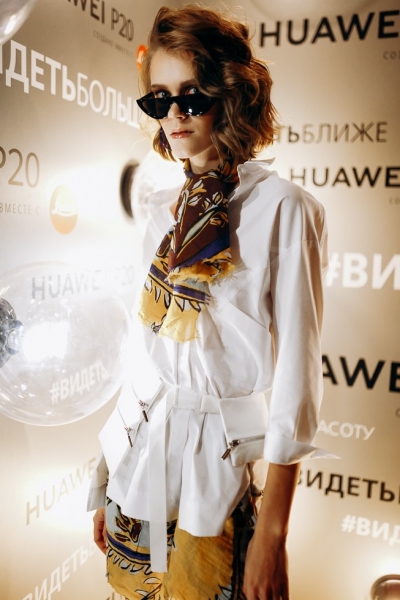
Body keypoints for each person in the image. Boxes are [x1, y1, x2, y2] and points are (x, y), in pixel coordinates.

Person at [89, 5, 333, 600]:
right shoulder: (159, 212)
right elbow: (146, 357)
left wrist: (273, 535)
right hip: (139, 463)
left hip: (220, 472)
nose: (173, 114)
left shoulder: (284, 209)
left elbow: (297, 382)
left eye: (191, 96)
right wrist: (106, 473)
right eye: (158, 99)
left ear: (230, 95)